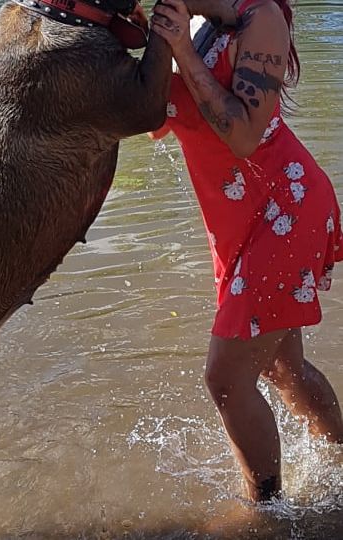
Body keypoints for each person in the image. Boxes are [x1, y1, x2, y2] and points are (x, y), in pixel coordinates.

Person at [149, 0, 343, 502]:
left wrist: (183, 53)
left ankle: (266, 511)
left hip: (286, 208)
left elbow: (242, 134)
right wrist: (137, 35)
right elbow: (149, 118)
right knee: (283, 369)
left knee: (226, 381)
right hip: (238, 225)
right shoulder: (189, 23)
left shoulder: (262, 18)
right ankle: (341, 463)